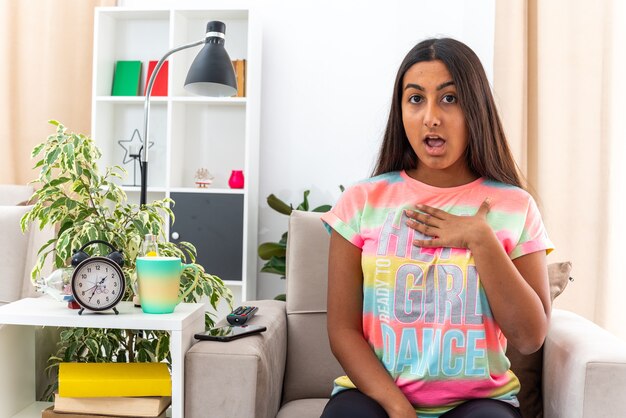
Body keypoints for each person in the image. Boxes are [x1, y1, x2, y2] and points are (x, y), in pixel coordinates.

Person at [319, 37, 553, 418]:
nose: (431, 116)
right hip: (376, 399)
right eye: (415, 99)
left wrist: (480, 239)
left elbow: (529, 338)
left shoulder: (515, 206)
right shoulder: (361, 203)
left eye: (449, 98)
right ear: (401, 111)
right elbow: (343, 332)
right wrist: (398, 408)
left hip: (480, 403)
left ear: (475, 108)